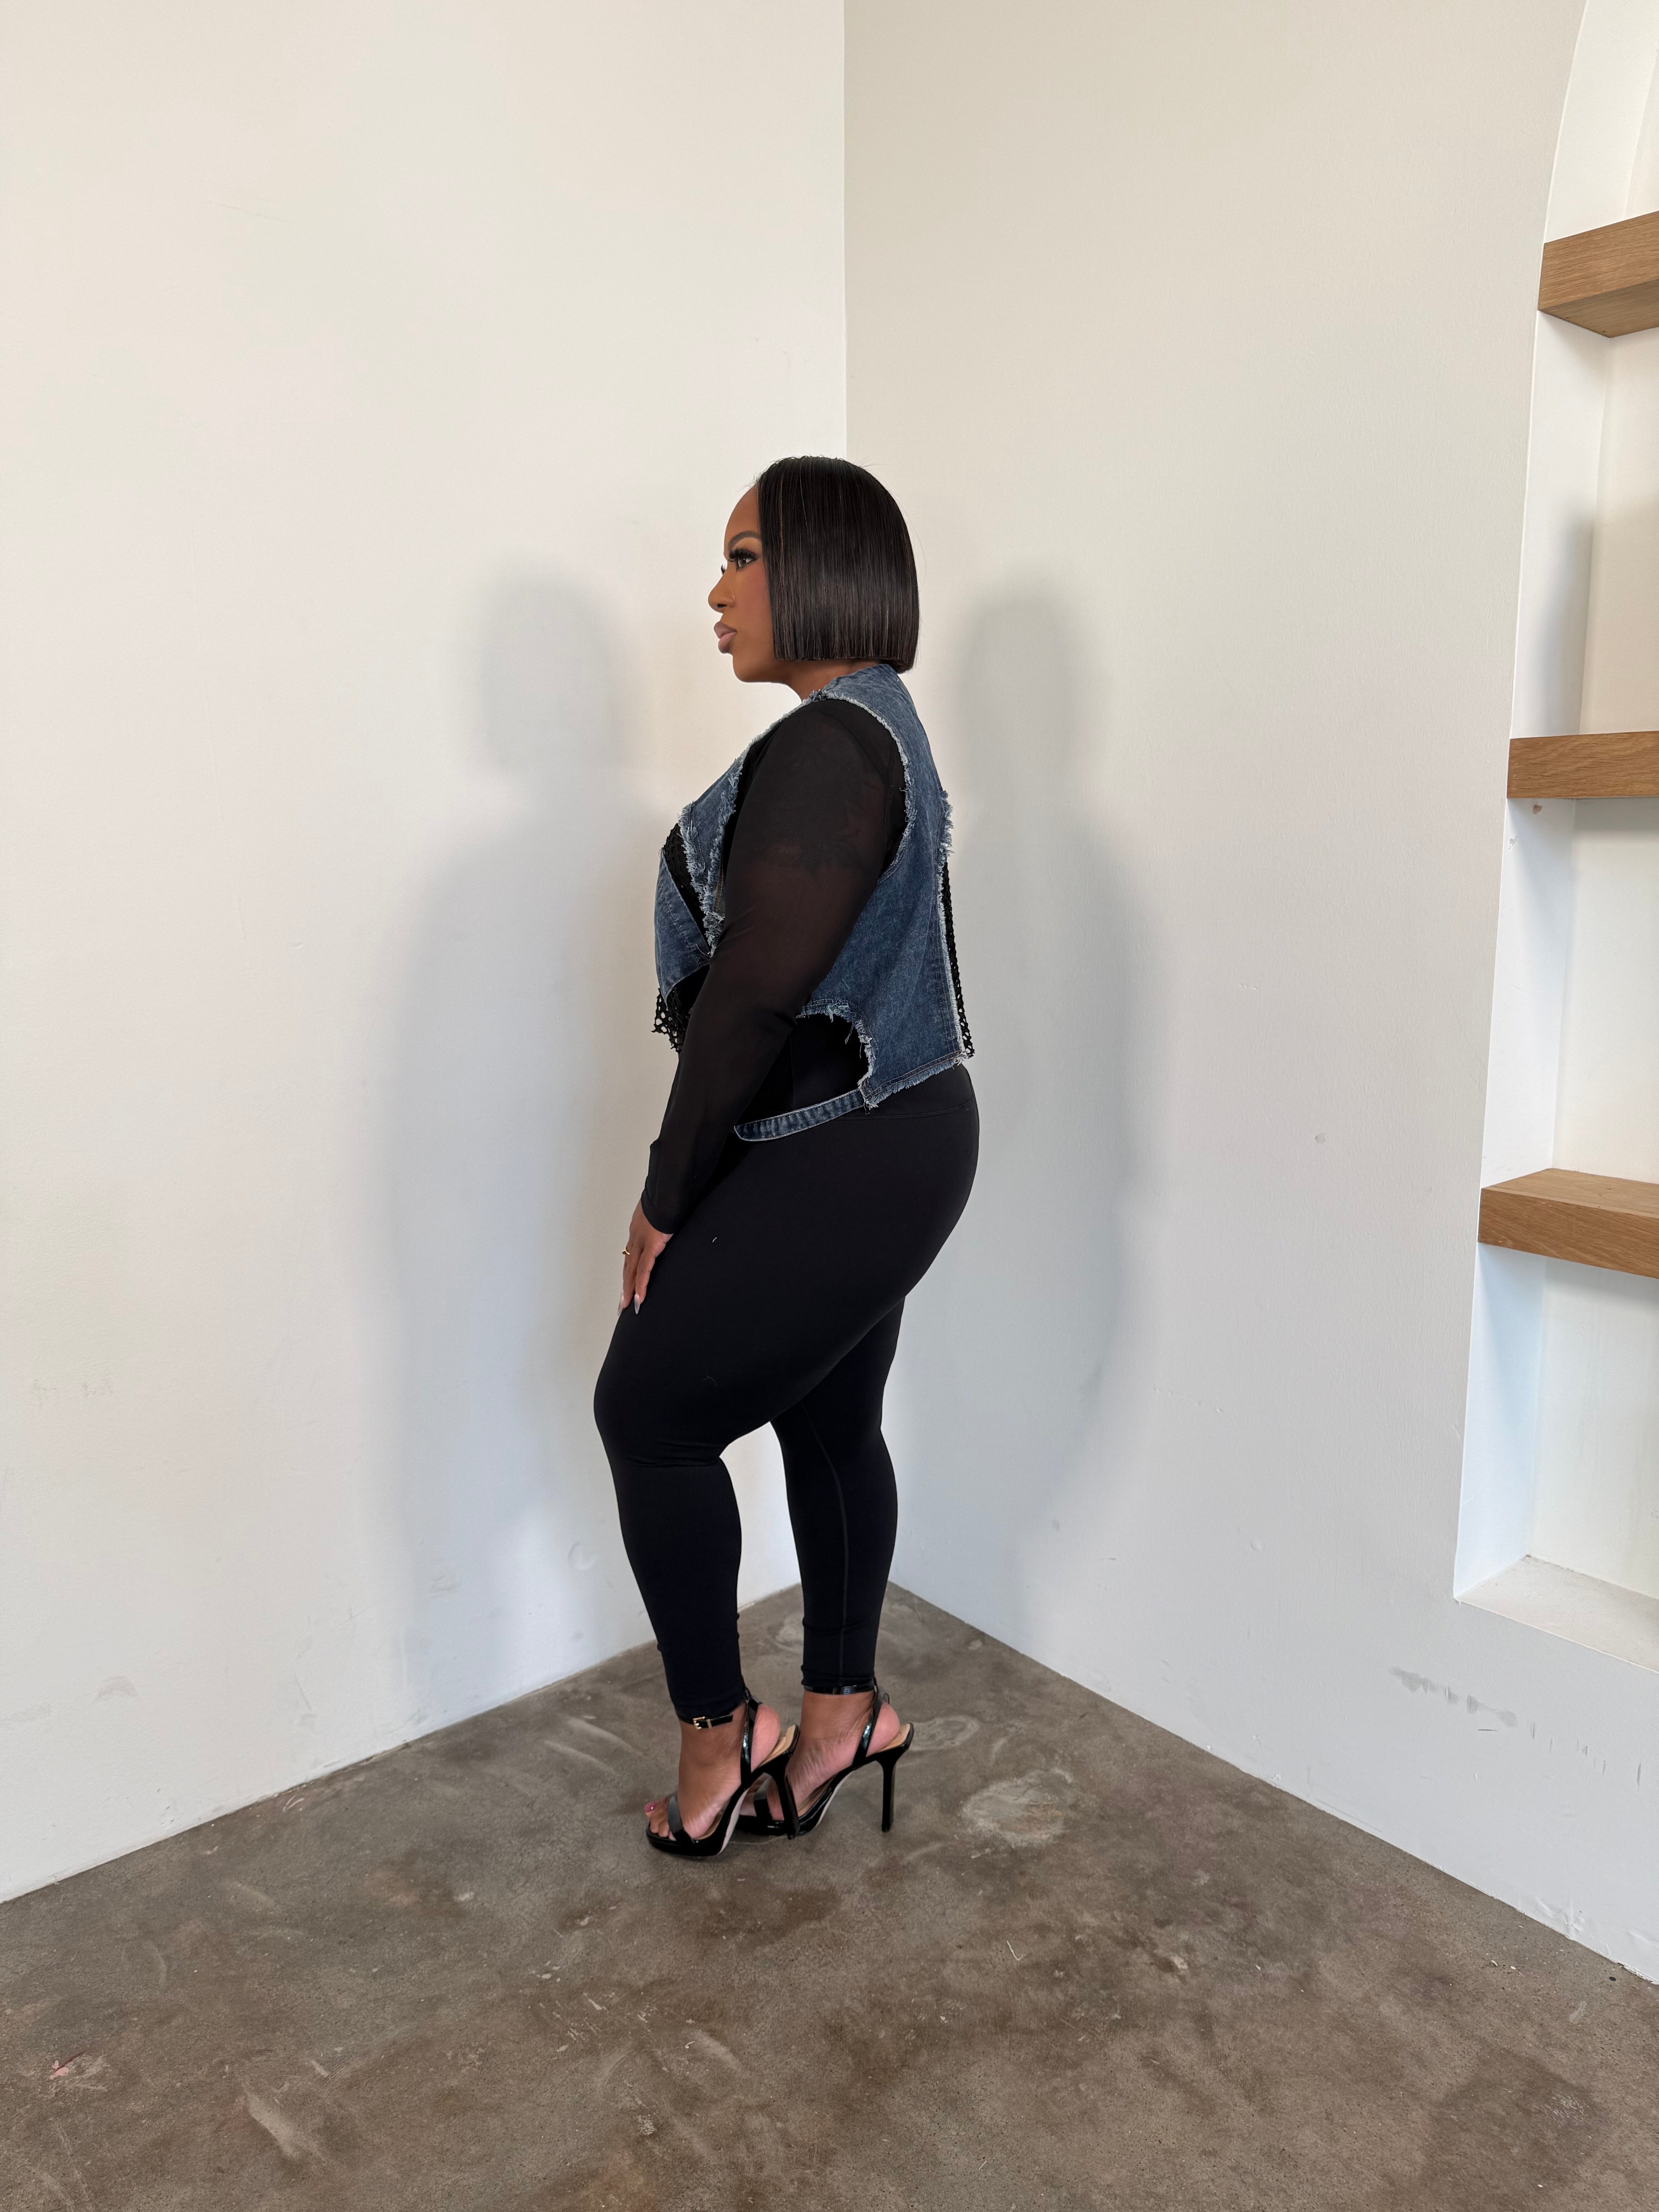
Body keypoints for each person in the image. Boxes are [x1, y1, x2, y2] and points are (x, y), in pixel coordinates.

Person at [592, 456, 978, 1858]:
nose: (716, 593)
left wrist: (665, 1194)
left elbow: (753, 996)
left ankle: (721, 1734)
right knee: (827, 1423)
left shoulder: (832, 742)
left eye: (744, 557)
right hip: (885, 1136)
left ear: (821, 566)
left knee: (647, 1415)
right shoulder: (872, 730)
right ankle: (841, 1720)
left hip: (849, 1147)